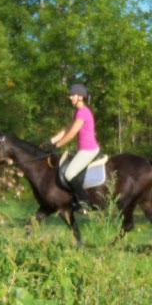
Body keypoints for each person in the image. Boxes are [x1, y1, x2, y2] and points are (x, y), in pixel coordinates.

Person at [47, 83, 100, 211]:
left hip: (89, 150)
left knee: (69, 173)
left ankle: (84, 203)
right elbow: (67, 129)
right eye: (70, 95)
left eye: (73, 95)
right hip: (83, 149)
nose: (70, 97)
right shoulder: (78, 112)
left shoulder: (83, 112)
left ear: (80, 97)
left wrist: (57, 145)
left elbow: (72, 134)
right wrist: (51, 140)